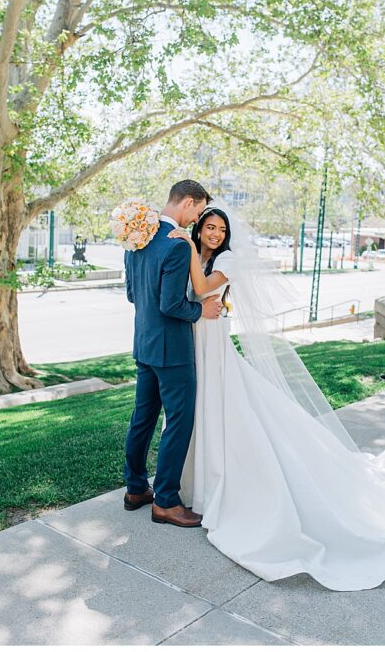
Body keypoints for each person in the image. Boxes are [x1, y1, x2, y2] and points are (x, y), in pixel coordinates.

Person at [162, 204, 385, 590]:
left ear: (227, 235)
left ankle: (222, 484)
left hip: (214, 342)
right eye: (208, 227)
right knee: (195, 411)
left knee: (225, 410)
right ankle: (190, 481)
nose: (214, 233)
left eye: (219, 229)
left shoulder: (227, 258)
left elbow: (202, 289)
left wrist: (192, 251)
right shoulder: (196, 253)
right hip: (193, 339)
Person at [122, 180, 221, 528]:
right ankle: (165, 500)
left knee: (143, 418)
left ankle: (135, 488)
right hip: (173, 349)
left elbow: (134, 295)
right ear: (187, 202)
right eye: (197, 211)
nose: (196, 219)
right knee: (178, 423)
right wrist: (200, 312)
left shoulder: (136, 239)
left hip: (144, 344)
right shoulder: (177, 246)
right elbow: (171, 304)